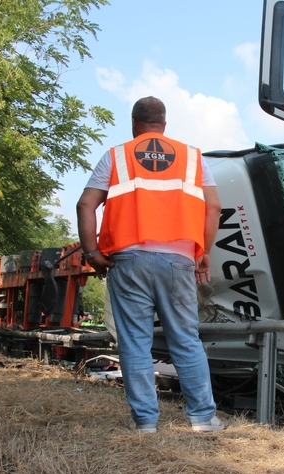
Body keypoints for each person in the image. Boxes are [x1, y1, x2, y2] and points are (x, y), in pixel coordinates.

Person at [76, 97, 223, 434]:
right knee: (185, 339)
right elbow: (213, 207)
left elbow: (85, 205)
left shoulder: (116, 156)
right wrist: (203, 251)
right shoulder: (193, 158)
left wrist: (92, 253)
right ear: (164, 124)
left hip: (128, 261)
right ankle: (203, 418)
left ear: (133, 124)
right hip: (179, 260)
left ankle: (145, 422)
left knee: (134, 342)